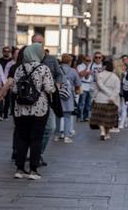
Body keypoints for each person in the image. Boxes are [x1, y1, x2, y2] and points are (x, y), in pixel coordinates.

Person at [10, 43, 55, 179]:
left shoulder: (19, 69)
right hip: (39, 108)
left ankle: (19, 168)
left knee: (22, 138)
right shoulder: (43, 68)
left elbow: (14, 89)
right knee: (36, 138)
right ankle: (33, 170)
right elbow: (49, 88)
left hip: (21, 109)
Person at [30, 33, 61, 166]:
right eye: (36, 43)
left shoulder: (51, 59)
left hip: (47, 99)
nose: (38, 46)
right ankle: (29, 153)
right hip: (30, 101)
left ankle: (39, 152)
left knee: (50, 127)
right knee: (31, 129)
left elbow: (59, 75)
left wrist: (57, 85)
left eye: (40, 43)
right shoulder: (26, 60)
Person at [90, 59, 121, 140]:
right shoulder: (115, 77)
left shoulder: (99, 75)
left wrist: (93, 98)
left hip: (100, 99)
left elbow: (96, 88)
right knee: (108, 119)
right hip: (110, 101)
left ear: (104, 66)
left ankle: (103, 131)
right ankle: (107, 133)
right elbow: (117, 89)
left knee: (100, 118)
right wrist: (112, 96)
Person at [56, 54, 81, 142]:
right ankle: (66, 136)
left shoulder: (57, 69)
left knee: (58, 116)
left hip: (58, 95)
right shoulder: (73, 71)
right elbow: (78, 83)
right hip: (68, 96)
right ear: (70, 62)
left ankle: (57, 135)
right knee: (67, 116)